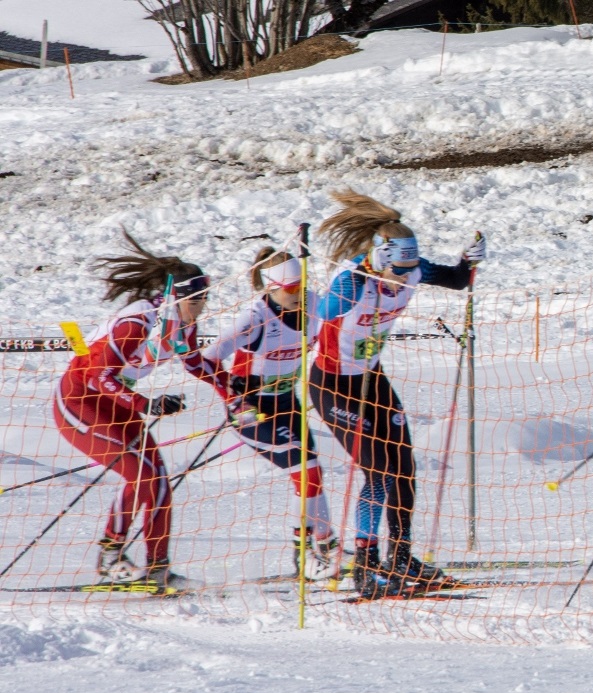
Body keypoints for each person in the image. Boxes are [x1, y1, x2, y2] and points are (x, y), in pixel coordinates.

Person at [309, 189, 484, 599]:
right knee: (378, 471)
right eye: (398, 271)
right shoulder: (354, 281)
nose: (405, 278)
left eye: (409, 269)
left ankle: (401, 556)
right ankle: (365, 565)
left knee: (404, 465)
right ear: (379, 258)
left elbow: (457, 281)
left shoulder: (412, 268)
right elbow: (324, 311)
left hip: (372, 378)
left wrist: (469, 260)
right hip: (333, 385)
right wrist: (341, 293)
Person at [52, 230, 230, 592]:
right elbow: (99, 375)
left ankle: (151, 567)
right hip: (79, 402)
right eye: (198, 299)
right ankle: (116, 558)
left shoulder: (182, 322)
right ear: (175, 296)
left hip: (116, 403)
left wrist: (236, 391)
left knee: (156, 480)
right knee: (145, 476)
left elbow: (196, 363)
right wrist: (146, 404)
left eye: (206, 298)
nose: (204, 306)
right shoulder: (137, 323)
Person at [202, 247, 339, 582]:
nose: (299, 294)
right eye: (291, 289)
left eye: (302, 286)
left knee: (311, 474)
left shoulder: (312, 304)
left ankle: (316, 549)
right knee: (305, 467)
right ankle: (316, 549)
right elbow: (207, 358)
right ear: (271, 288)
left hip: (286, 404)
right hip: (252, 412)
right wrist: (231, 395)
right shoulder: (255, 317)